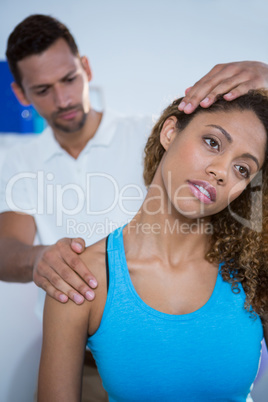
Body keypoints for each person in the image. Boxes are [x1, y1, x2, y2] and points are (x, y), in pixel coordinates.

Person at [1, 13, 268, 402]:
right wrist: (43, 260)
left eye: (69, 79)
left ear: (85, 69)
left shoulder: (146, 131)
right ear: (22, 95)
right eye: (43, 89)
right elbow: (6, 247)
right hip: (88, 347)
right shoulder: (18, 163)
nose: (63, 99)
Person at [38, 89, 268, 402]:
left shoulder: (252, 272)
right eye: (212, 142)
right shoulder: (81, 277)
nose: (221, 171)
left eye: (243, 169)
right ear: (170, 132)